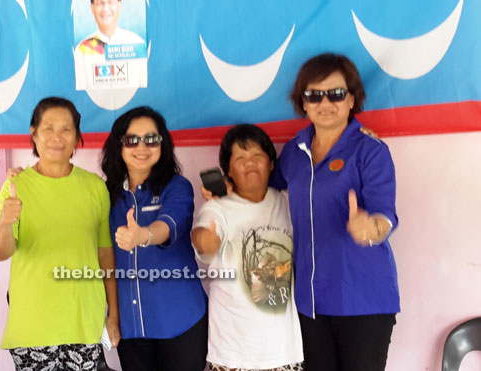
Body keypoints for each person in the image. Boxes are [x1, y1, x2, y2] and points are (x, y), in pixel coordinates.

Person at [273, 53, 400, 371]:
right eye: (314, 94)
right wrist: (228, 190)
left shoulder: (370, 150)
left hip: (363, 299)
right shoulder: (294, 151)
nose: (324, 102)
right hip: (310, 300)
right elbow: (267, 188)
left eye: (336, 93)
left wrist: (371, 228)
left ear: (352, 98)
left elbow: (385, 214)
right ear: (302, 101)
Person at [0, 97, 120, 371]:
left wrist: (113, 315)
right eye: (48, 128)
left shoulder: (95, 187)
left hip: (83, 320)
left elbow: (105, 254)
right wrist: (5, 221)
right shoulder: (16, 185)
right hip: (33, 324)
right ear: (33, 133)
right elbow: (0, 252)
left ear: (76, 137)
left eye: (66, 129)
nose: (56, 137)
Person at [100, 106, 208, 371]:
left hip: (181, 320)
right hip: (131, 325)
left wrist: (143, 235)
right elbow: (107, 262)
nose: (142, 147)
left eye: (151, 139)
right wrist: (112, 316)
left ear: (163, 144)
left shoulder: (177, 186)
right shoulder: (106, 195)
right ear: (119, 145)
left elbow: (169, 225)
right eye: (131, 140)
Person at [192, 124, 304, 371]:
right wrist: (204, 241)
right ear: (228, 170)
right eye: (240, 158)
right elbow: (203, 236)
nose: (249, 163)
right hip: (231, 354)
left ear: (271, 163)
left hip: (283, 351)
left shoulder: (288, 203)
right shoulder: (217, 208)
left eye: (257, 156)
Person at [74, 0, 147, 91]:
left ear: (120, 5)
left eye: (111, 2)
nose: (105, 8)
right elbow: (81, 91)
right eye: (100, 3)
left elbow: (144, 86)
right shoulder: (82, 49)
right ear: (92, 8)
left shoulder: (137, 43)